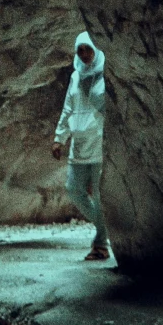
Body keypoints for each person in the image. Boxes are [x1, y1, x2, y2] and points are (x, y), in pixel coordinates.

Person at [53, 30, 109, 262]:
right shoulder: (76, 76)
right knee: (74, 190)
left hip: (98, 143)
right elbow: (68, 108)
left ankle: (100, 243)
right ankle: (106, 230)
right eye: (80, 49)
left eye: (88, 48)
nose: (84, 54)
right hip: (78, 142)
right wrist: (59, 138)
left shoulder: (106, 74)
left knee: (98, 194)